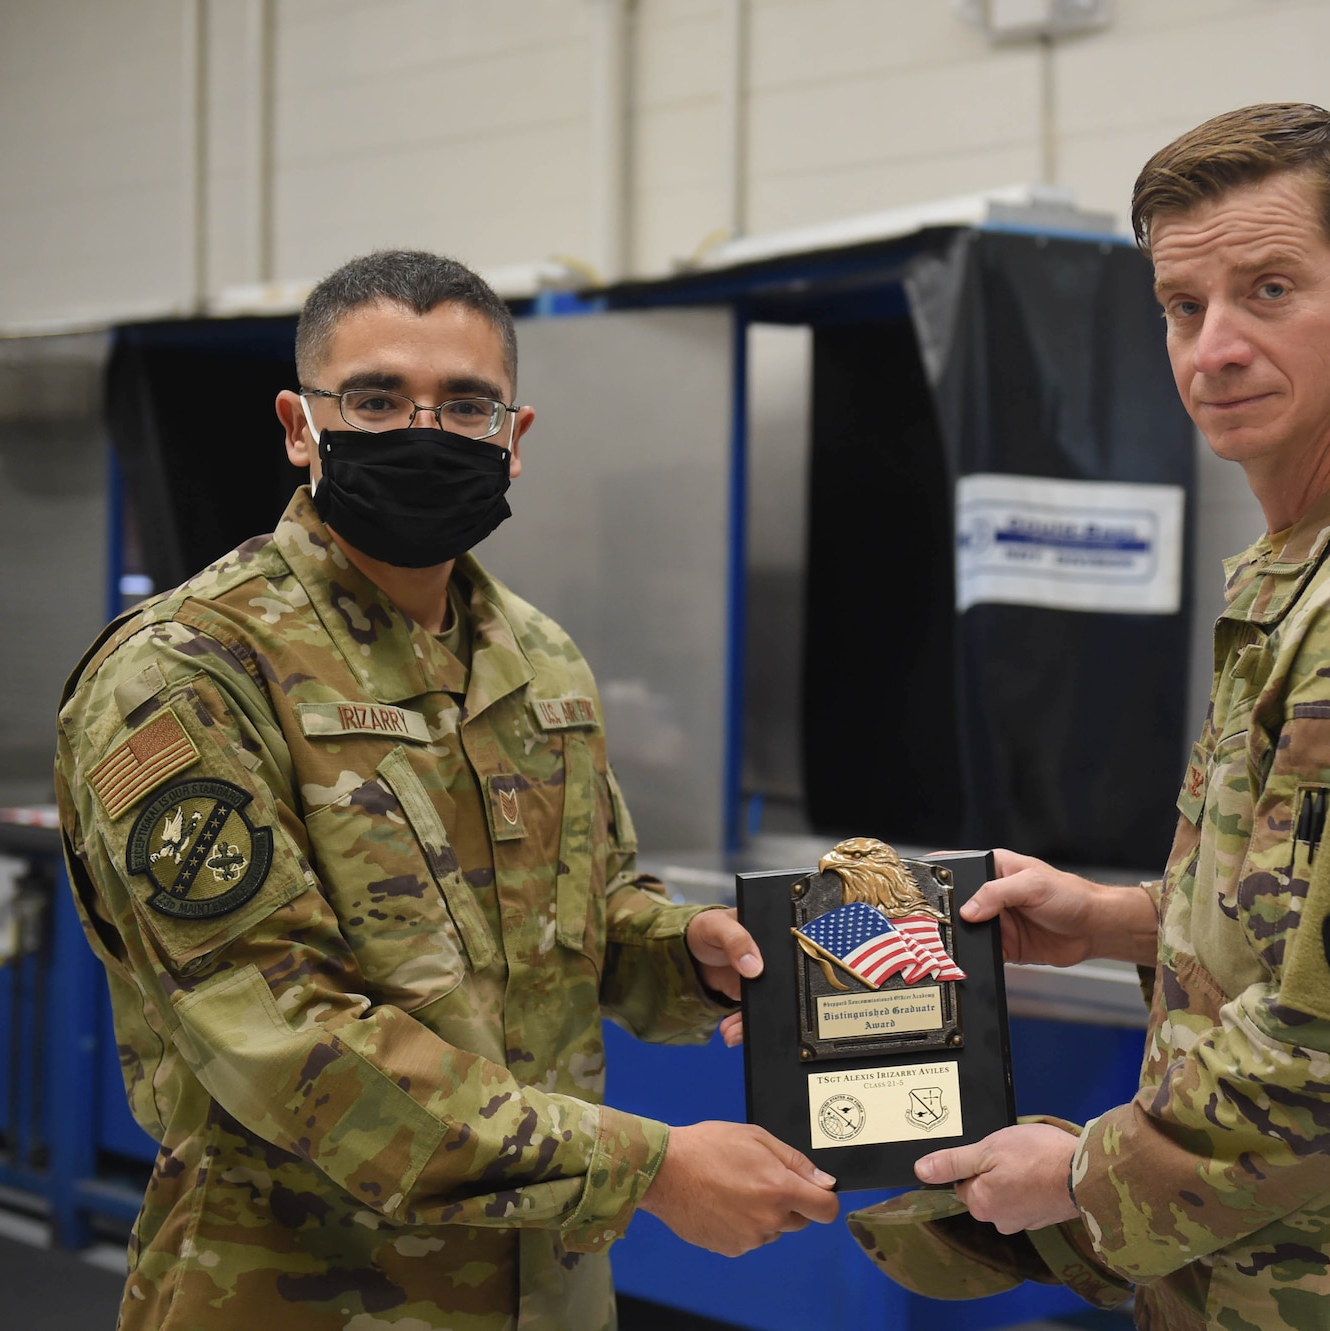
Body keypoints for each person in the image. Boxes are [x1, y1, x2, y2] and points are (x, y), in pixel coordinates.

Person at [53, 250, 837, 1331]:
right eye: (376, 398)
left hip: (545, 1289)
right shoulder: (187, 672)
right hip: (298, 1290)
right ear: (298, 423)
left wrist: (688, 949)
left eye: (463, 404)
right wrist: (647, 1167)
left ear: (512, 440)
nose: (422, 430)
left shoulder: (536, 656)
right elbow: (290, 1042)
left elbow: (576, 922)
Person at [913, 105, 1330, 1329]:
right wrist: (1118, 919)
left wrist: (1075, 1174)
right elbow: (1321, 922)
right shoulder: (1318, 567)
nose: (1213, 348)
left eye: (1268, 289)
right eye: (1183, 306)